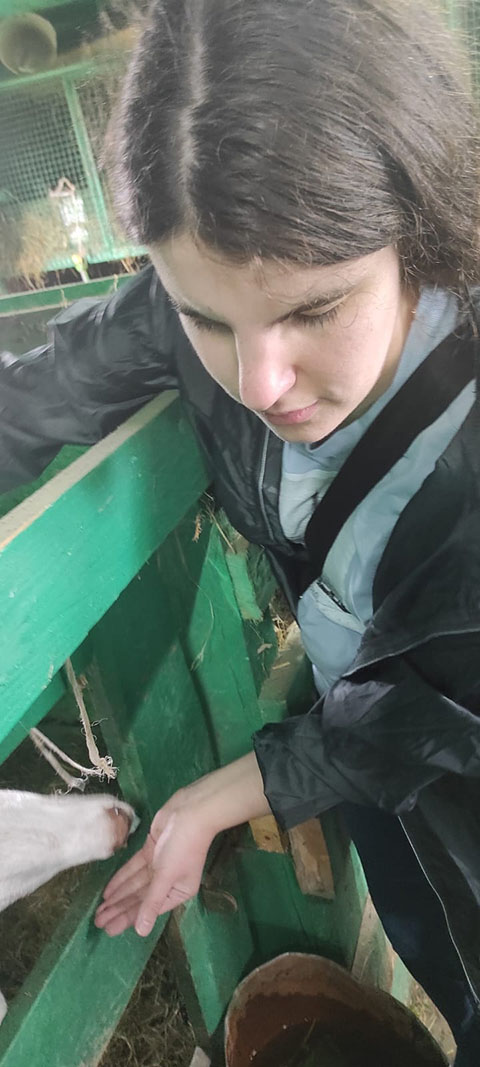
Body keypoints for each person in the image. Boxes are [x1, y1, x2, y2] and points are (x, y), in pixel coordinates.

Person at [2, 0, 480, 1060]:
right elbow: (32, 400)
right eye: (205, 316)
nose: (258, 382)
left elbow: (440, 704)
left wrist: (220, 795)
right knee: (430, 948)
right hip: (362, 769)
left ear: (420, 224)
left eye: (316, 309)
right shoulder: (212, 296)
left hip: (448, 775)